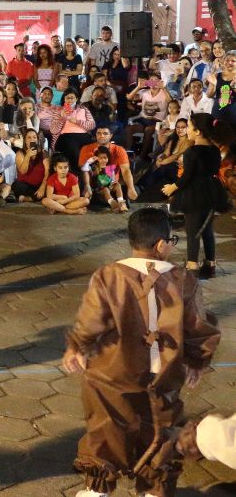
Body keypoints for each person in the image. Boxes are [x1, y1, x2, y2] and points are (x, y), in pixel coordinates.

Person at [63, 207, 221, 497]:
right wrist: (196, 360)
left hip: (112, 373)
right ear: (161, 245)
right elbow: (198, 325)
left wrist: (78, 346)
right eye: (171, 241)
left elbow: (91, 319)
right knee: (160, 432)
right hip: (163, 375)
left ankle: (97, 491)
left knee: (106, 428)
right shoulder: (183, 279)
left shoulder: (108, 275)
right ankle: (154, 490)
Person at [161, 113, 228, 278]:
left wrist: (172, 187)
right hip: (212, 191)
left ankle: (192, 266)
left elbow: (187, 176)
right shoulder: (215, 149)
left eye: (189, 127)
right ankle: (210, 265)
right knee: (207, 230)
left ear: (198, 131)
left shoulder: (192, 151)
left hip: (194, 193)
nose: (187, 131)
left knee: (193, 231)